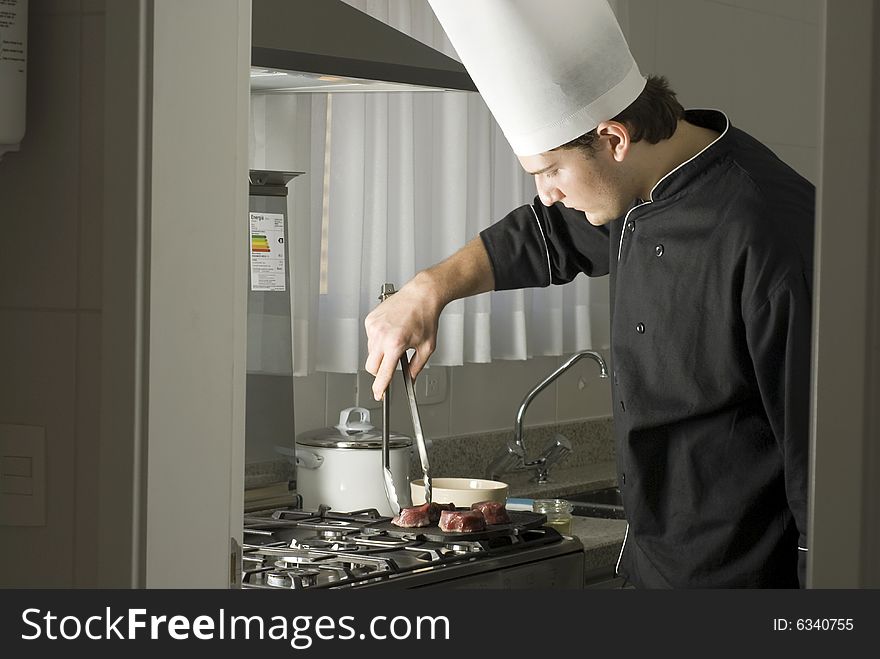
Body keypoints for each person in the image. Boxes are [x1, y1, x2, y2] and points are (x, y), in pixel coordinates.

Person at [364, 0, 812, 588]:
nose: (545, 193)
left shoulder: (770, 230)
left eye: (550, 171)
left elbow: (823, 465)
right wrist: (427, 290)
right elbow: (542, 234)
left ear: (614, 138)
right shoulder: (629, 189)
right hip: (648, 574)